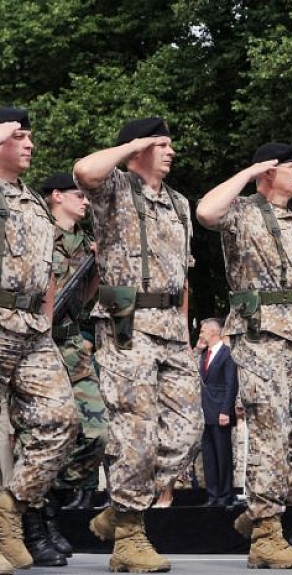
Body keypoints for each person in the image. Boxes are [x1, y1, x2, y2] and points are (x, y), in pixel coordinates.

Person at [73, 117, 203, 573]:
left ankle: (119, 510)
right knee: (135, 432)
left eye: (169, 143)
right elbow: (84, 171)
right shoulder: (114, 189)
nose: (169, 151)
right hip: (127, 326)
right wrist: (134, 144)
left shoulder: (180, 203)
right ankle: (129, 538)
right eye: (160, 144)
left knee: (189, 428)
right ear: (139, 148)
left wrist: (185, 333)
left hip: (170, 325)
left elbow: (183, 277)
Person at [196, 142, 292, 569]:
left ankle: (259, 510)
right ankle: (267, 533)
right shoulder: (243, 210)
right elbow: (205, 212)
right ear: (269, 172)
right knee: (269, 430)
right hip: (260, 333)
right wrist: (249, 170)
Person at [0, 108, 79, 574]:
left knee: (62, 420)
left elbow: (47, 270)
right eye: (19, 136)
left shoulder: (31, 201)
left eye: (32, 137)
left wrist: (47, 319)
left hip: (31, 326)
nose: (30, 144)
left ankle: (9, 511)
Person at [17, 172, 107, 566]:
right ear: (56, 197)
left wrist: (98, 264)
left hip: (70, 344)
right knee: (41, 433)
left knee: (95, 431)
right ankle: (35, 525)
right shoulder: (40, 232)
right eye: (78, 195)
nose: (85, 201)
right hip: (35, 340)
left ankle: (49, 505)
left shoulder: (87, 244)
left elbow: (86, 301)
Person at [197, 318, 238, 506]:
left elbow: (230, 384)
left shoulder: (227, 354)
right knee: (209, 457)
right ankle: (212, 495)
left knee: (223, 456)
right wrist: (198, 350)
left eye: (203, 331)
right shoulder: (205, 354)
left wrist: (225, 410)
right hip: (205, 412)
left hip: (220, 412)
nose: (200, 334)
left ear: (214, 332)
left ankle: (224, 495)